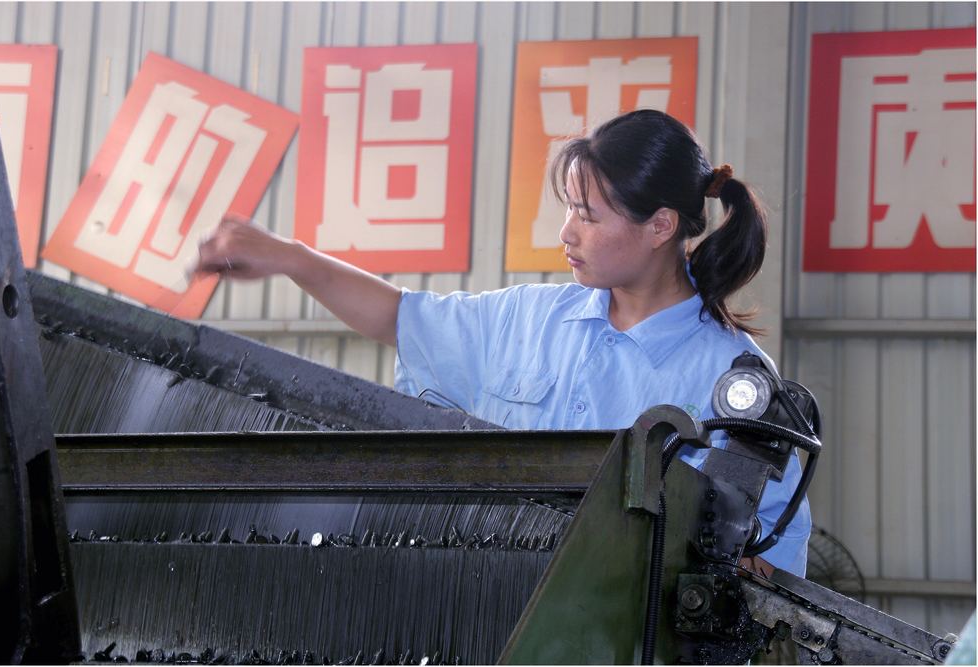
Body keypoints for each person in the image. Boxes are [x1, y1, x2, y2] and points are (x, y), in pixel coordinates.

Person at [194, 109, 811, 576]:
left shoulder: (737, 385)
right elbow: (398, 318)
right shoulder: (525, 319)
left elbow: (762, 577)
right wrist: (289, 257)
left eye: (588, 216)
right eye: (568, 208)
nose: (566, 232)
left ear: (660, 226)